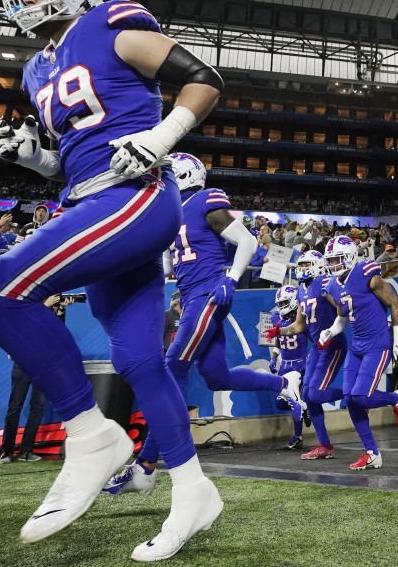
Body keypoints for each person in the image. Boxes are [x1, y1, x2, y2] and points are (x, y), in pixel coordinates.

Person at [0, 0, 225, 560]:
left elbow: (204, 77)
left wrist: (162, 135)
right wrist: (33, 159)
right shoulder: (36, 70)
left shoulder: (109, 23)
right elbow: (70, 158)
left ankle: (89, 435)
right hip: (90, 197)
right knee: (139, 360)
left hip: (132, 195)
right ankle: (193, 491)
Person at [105, 154, 299, 490]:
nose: (160, 180)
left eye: (166, 174)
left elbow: (248, 242)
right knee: (216, 376)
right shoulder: (172, 215)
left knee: (171, 371)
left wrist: (232, 277)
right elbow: (169, 265)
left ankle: (146, 466)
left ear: (181, 174)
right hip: (193, 297)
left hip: (209, 294)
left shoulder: (204, 200)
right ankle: (284, 383)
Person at [314, 235, 398, 470]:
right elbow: (343, 317)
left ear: (350, 256)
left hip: (377, 343)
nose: (333, 264)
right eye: (331, 260)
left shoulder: (366, 272)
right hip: (357, 346)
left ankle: (396, 398)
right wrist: (331, 331)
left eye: (337, 259)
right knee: (350, 398)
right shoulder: (333, 285)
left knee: (361, 396)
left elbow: (394, 303)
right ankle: (372, 453)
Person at [269, 250, 345, 460]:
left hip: (333, 343)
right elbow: (300, 325)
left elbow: (343, 307)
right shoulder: (301, 290)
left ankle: (355, 395)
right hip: (317, 348)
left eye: (305, 265)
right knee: (309, 399)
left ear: (317, 264)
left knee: (316, 395)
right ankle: (324, 446)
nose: (302, 269)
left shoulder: (324, 282)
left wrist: (333, 330)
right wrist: (280, 332)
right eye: (300, 265)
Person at [0, 295, 71, 464]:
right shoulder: (25, 309)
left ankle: (26, 451)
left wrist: (60, 310)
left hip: (44, 366)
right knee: (15, 406)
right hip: (23, 362)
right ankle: (6, 451)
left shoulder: (50, 312)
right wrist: (44, 306)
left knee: (37, 408)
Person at [267, 285, 310, 449]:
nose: (281, 306)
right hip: (285, 366)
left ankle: (298, 436)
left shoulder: (302, 318)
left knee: (294, 400)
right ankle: (304, 406)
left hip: (300, 366)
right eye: (280, 302)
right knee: (281, 403)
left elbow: (315, 338)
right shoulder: (275, 316)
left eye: (285, 302)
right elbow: (279, 336)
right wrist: (274, 357)